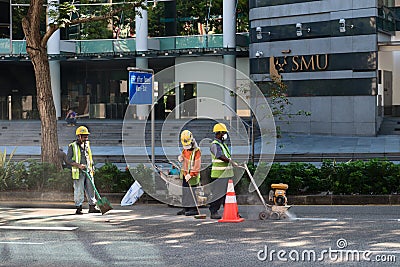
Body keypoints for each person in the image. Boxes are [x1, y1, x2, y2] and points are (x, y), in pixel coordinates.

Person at [66, 126, 101, 214]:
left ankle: (92, 207)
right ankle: (79, 207)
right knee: (79, 190)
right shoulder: (72, 146)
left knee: (91, 189)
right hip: (78, 172)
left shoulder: (87, 145)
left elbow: (89, 157)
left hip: (88, 171)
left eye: (87, 136)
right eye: (84, 136)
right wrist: (79, 165)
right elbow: (68, 160)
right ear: (79, 136)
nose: (86, 138)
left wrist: (91, 167)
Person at [208, 123, 238, 219]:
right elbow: (220, 156)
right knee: (217, 194)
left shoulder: (222, 144)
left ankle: (230, 211)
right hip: (219, 174)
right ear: (220, 133)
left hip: (226, 174)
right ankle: (214, 212)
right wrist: (231, 161)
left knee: (228, 195)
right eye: (224, 133)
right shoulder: (215, 145)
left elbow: (226, 156)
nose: (225, 135)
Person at [176, 130, 202, 216]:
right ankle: (185, 208)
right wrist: (181, 157)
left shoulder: (197, 151)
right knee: (185, 192)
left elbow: (197, 166)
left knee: (191, 192)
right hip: (185, 174)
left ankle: (193, 209)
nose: (186, 147)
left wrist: (190, 175)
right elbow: (184, 156)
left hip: (192, 176)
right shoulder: (185, 149)